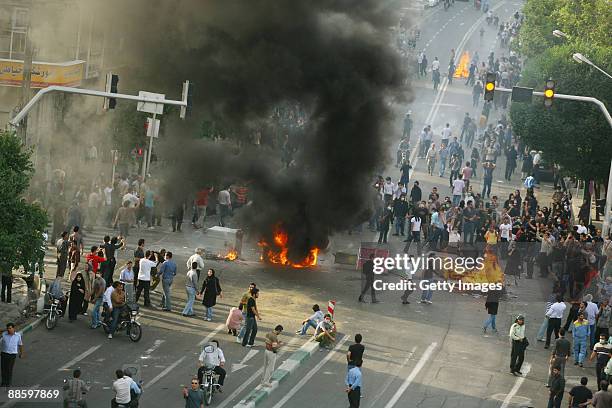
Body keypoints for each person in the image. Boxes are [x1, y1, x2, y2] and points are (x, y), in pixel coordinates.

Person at [0, 322, 23, 387]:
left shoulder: (18, 335)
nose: (9, 330)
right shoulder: (4, 334)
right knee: (3, 369)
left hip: (12, 355)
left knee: (9, 369)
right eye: (8, 329)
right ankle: (3, 382)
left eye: (10, 328)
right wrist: (5, 330)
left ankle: (8, 383)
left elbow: (20, 345)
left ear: (14, 328)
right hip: (4, 354)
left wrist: (21, 353)